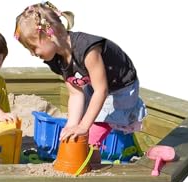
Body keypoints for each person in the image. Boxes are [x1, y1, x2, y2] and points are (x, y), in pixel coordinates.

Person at [14, 1, 147, 163]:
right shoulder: (57, 60)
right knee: (80, 125)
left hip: (121, 88)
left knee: (94, 128)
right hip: (95, 86)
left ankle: (92, 163)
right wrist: (72, 125)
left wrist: (83, 127)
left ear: (50, 33)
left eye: (33, 47)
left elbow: (101, 91)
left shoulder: (87, 49)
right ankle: (91, 162)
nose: (32, 54)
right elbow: (75, 93)